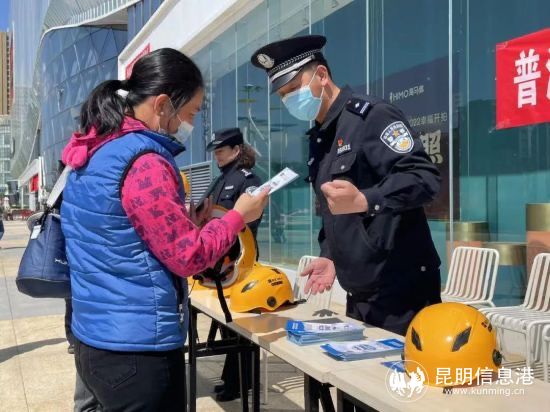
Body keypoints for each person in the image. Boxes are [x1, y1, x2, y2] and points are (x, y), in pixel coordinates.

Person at [60, 48, 269, 411]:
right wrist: (237, 217)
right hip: (138, 349)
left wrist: (187, 222)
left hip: (94, 337)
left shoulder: (95, 150)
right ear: (162, 105)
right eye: (190, 112)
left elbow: (119, 234)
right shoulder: (145, 162)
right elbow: (189, 257)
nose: (189, 124)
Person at [251, 35, 441, 336]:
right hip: (360, 289)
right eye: (283, 95)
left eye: (294, 88)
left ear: (322, 75)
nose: (289, 100)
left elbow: (424, 178)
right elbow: (334, 211)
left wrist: (367, 199)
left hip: (401, 287)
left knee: (402, 368)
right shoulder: (319, 138)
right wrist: (329, 255)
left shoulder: (372, 116)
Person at [202, 127, 262, 402]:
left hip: (238, 262)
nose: (217, 156)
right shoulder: (219, 180)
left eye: (221, 151)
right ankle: (232, 378)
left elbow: (250, 221)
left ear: (237, 150)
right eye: (215, 152)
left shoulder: (248, 180)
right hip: (218, 262)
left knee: (239, 324)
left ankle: (241, 382)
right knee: (228, 324)